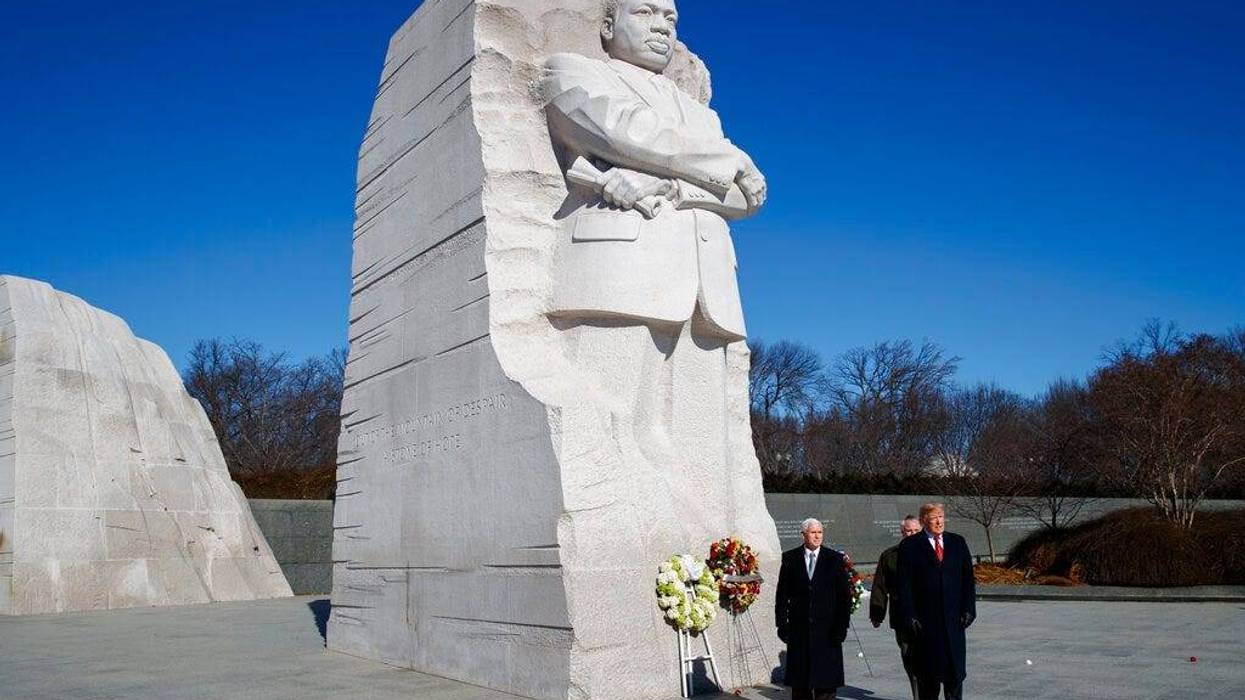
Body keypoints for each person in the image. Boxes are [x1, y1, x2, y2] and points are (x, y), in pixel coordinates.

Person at [538, 0, 769, 535]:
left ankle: (702, 552)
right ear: (608, 24)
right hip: (619, 271)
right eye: (646, 13)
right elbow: (619, 131)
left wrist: (663, 182)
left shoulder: (702, 115)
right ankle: (619, 538)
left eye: (672, 19)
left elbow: (745, 196)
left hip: (705, 286)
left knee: (701, 443)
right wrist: (718, 164)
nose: (663, 26)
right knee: (606, 422)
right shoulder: (573, 72)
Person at [897, 503, 976, 700]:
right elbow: (904, 585)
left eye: (941, 516)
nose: (939, 521)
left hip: (953, 623)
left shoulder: (957, 542)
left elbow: (967, 580)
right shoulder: (910, 546)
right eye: (934, 517)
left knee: (954, 679)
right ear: (924, 520)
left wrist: (969, 609)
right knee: (928, 681)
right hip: (926, 625)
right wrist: (910, 615)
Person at [775, 518, 851, 700]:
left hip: (828, 633)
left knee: (826, 686)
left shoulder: (834, 559)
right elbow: (782, 595)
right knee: (800, 686)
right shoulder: (790, 558)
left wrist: (841, 628)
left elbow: (844, 598)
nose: (817, 536)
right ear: (803, 535)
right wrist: (782, 625)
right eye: (813, 532)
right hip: (799, 631)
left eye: (820, 532)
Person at [870, 515, 924, 700]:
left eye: (915, 530)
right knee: (909, 657)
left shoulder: (932, 552)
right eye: (908, 531)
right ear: (902, 533)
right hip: (902, 617)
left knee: (929, 658)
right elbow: (879, 586)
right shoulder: (889, 556)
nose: (912, 534)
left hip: (929, 615)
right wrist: (877, 614)